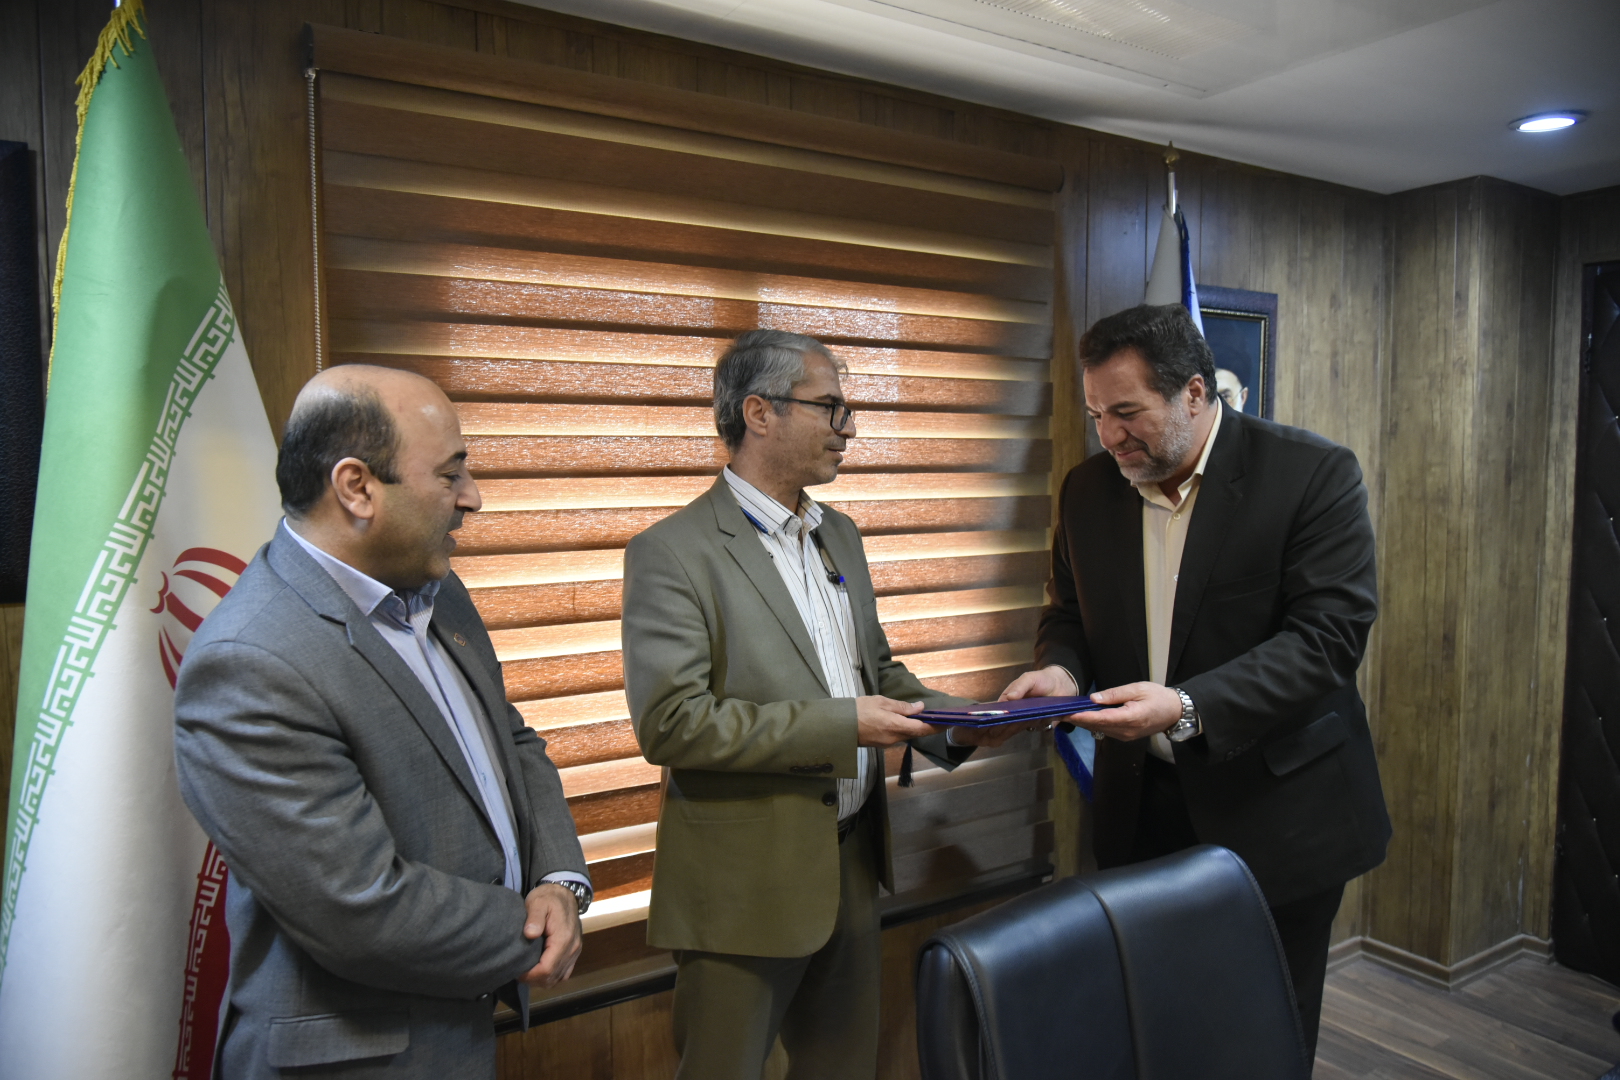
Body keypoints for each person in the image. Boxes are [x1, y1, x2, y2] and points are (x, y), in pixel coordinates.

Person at [173, 365, 591, 1079]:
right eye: (451, 474)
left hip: (456, 1037)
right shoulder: (250, 663)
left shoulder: (437, 588)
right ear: (356, 487)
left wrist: (558, 880)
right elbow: (359, 908)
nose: (473, 497)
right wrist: (533, 927)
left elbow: (511, 740)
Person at [1002, 303, 1391, 1062]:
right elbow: (1069, 614)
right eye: (1096, 415)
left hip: (1276, 812)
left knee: (1261, 1038)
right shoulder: (1087, 490)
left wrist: (1186, 705)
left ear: (1193, 392)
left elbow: (1328, 639)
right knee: (1157, 1026)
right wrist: (1060, 670)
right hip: (1141, 810)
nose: (1110, 436)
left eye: (1127, 413)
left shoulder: (1310, 474)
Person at [621, 328, 996, 1080]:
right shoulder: (672, 552)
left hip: (850, 867)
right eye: (830, 407)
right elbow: (672, 723)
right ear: (759, 413)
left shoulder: (839, 536)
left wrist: (964, 723)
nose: (848, 427)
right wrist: (844, 725)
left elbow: (875, 672)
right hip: (743, 886)